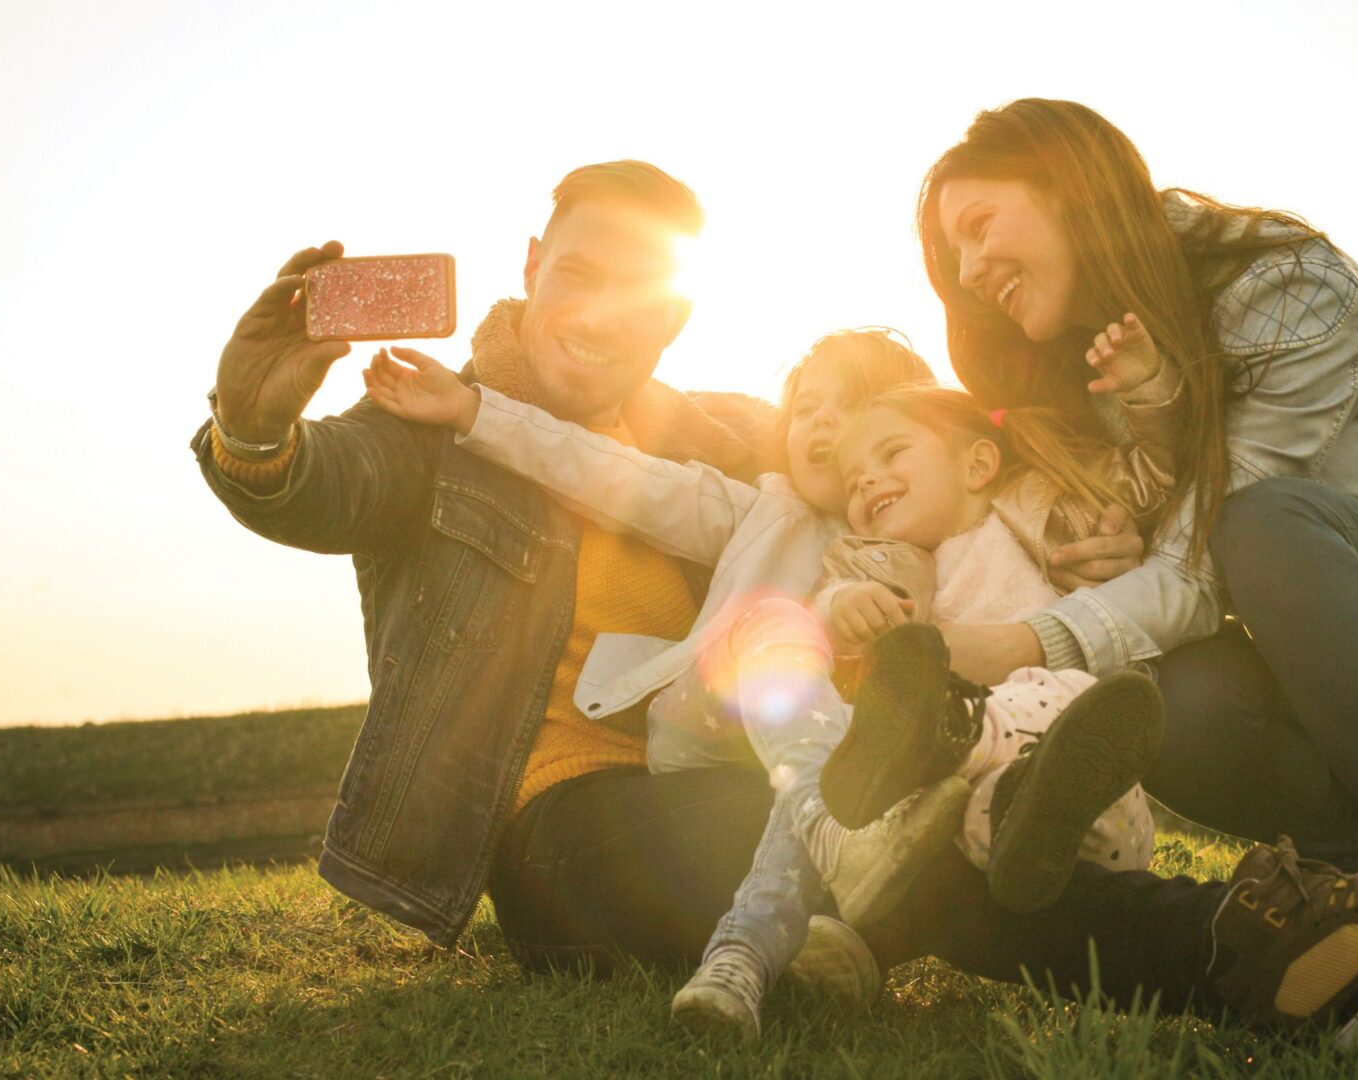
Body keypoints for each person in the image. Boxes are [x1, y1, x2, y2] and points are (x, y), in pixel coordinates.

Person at [195, 158, 1358, 1048]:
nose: (603, 313)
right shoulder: (428, 424)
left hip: (781, 754)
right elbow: (312, 487)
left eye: (640, 293)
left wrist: (1074, 516)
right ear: (535, 259)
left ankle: (1268, 945)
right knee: (852, 824)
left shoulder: (738, 440)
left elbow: (915, 468)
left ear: (676, 317)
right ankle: (1252, 946)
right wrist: (252, 426)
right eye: (581, 272)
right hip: (564, 819)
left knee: (876, 816)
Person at [911, 99, 1358, 1006]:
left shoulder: (1284, 288)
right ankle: (1356, 893)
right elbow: (1161, 559)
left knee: (1267, 522)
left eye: (977, 226)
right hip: (1323, 687)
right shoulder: (1102, 362)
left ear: (1067, 184)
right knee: (1146, 692)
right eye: (951, 258)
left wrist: (1013, 641)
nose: (967, 272)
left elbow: (1211, 554)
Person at [362, 334, 1174, 1036]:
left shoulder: (963, 526)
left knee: (961, 767)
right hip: (739, 733)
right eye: (810, 408)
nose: (829, 429)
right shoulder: (759, 510)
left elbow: (1122, 505)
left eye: (861, 414)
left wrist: (1113, 535)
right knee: (789, 634)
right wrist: (475, 410)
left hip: (902, 772)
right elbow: (607, 471)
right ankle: (875, 869)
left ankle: (948, 860)